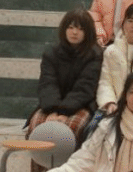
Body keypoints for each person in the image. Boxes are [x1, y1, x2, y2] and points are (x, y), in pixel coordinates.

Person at [27, 8, 103, 140]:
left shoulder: (94, 54)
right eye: (70, 27)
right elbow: (47, 84)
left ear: (88, 32)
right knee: (37, 128)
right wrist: (52, 110)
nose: (74, 32)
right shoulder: (51, 53)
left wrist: (64, 112)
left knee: (68, 130)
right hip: (51, 105)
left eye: (80, 29)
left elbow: (85, 88)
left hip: (81, 105)